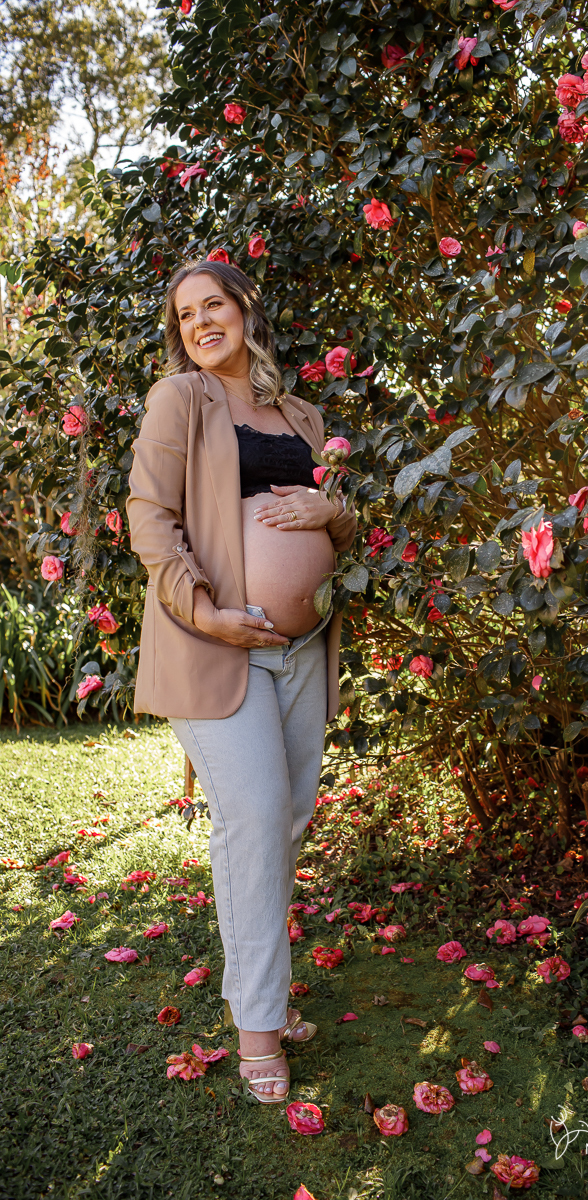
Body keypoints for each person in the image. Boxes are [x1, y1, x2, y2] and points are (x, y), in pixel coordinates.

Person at [126, 258, 357, 1102]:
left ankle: (261, 990)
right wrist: (207, 611)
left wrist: (333, 512)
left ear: (244, 311)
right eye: (185, 315)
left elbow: (346, 519)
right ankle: (259, 1026)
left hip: (302, 650)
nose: (199, 323)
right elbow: (150, 517)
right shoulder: (180, 399)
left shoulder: (301, 414)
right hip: (215, 646)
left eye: (212, 305)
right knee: (255, 821)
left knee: (283, 823)